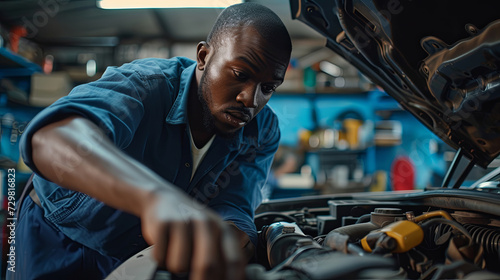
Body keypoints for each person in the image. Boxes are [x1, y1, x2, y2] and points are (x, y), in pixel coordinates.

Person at [8, 3, 292, 279]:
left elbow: (234, 199)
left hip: (135, 255)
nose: (250, 100)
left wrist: (235, 230)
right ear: (204, 57)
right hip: (58, 237)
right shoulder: (143, 86)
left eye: (267, 88)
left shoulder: (262, 130)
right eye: (240, 75)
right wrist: (154, 198)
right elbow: (51, 137)